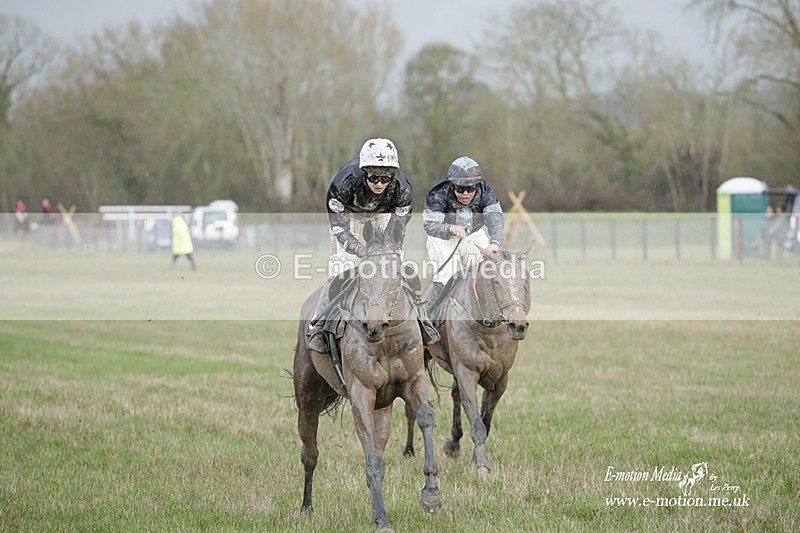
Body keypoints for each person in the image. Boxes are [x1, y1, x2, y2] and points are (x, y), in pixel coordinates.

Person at [306, 137, 438, 354]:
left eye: (385, 178)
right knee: (339, 269)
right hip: (349, 219)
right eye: (374, 177)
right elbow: (339, 228)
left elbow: (398, 229)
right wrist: (361, 250)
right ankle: (319, 324)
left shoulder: (402, 190)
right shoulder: (342, 184)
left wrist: (386, 252)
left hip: (383, 217)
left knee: (395, 269)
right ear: (363, 172)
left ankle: (423, 321)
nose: (379, 183)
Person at [422, 156, 504, 309]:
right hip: (442, 238)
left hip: (473, 235)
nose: (465, 194)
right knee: (449, 274)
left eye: (470, 189)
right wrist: (449, 228)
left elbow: (495, 219)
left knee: (486, 273)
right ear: (452, 185)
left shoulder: (486, 191)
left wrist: (495, 243)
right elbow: (430, 225)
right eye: (460, 189)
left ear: (477, 186)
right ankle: (425, 317)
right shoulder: (439, 193)